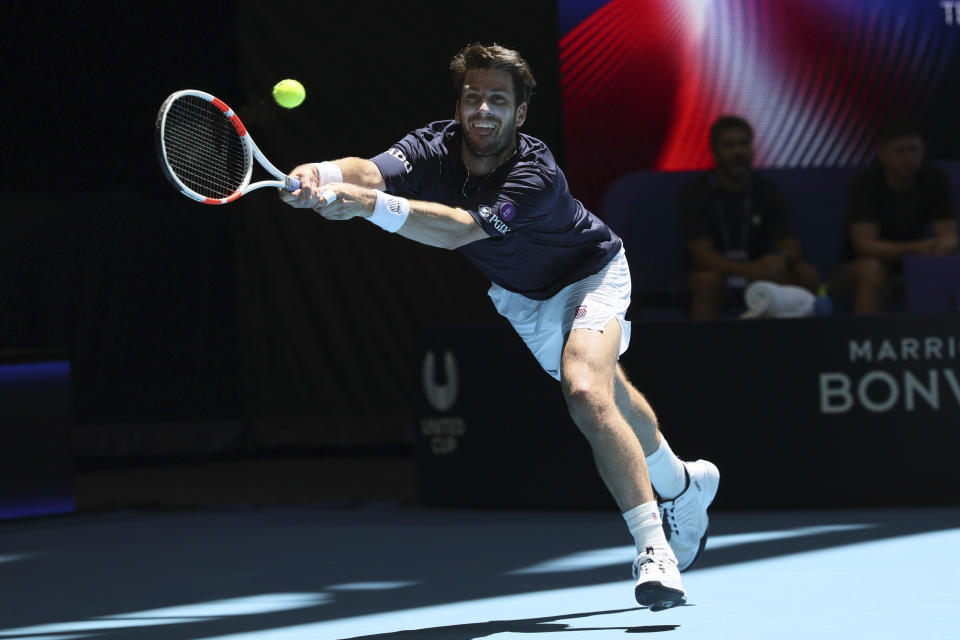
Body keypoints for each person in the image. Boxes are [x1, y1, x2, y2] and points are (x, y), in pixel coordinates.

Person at [279, 43, 719, 610]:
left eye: (497, 100)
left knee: (584, 389)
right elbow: (374, 170)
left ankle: (653, 548)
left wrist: (365, 206)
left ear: (520, 113)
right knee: (607, 394)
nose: (482, 111)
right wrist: (321, 174)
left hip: (591, 272)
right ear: (459, 104)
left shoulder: (533, 174)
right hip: (523, 299)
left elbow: (459, 230)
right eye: (472, 98)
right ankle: (683, 484)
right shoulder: (433, 147)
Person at [677, 116, 820, 319]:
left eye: (743, 144)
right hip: (718, 274)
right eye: (729, 145)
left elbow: (790, 245)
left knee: (806, 274)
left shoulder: (768, 190)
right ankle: (703, 349)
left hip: (761, 275)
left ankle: (801, 347)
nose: (738, 151)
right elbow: (701, 256)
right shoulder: (697, 192)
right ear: (715, 150)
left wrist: (780, 259)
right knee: (706, 282)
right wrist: (747, 270)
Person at [836, 120, 958, 313]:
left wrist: (938, 249)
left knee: (947, 260)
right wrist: (914, 248)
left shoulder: (935, 179)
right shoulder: (865, 183)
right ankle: (869, 340)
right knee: (873, 270)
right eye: (899, 151)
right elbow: (865, 246)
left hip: (915, 262)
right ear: (883, 155)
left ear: (923, 150)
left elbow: (949, 236)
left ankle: (943, 336)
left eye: (913, 150)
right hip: (858, 266)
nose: (908, 158)